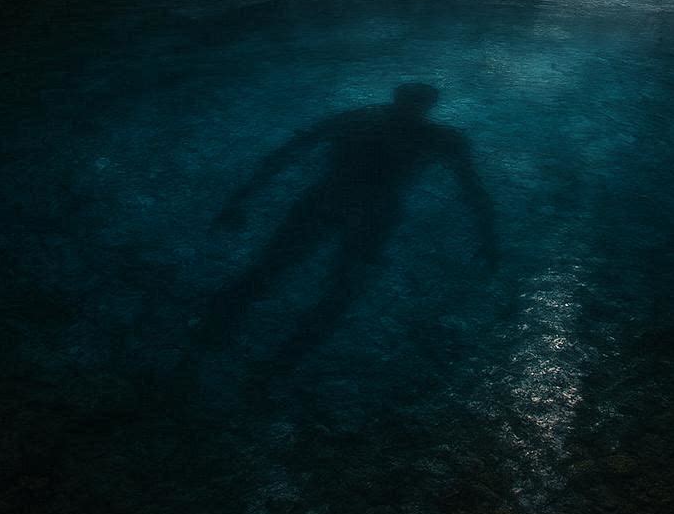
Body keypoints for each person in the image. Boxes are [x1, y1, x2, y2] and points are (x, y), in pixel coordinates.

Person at [195, 83, 497, 362]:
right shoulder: (435, 137)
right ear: (429, 105)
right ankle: (272, 358)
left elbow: (284, 155)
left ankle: (226, 344)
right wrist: (488, 235)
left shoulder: (361, 120)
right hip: (364, 209)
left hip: (335, 202)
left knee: (292, 275)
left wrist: (240, 199)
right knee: (328, 286)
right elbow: (471, 188)